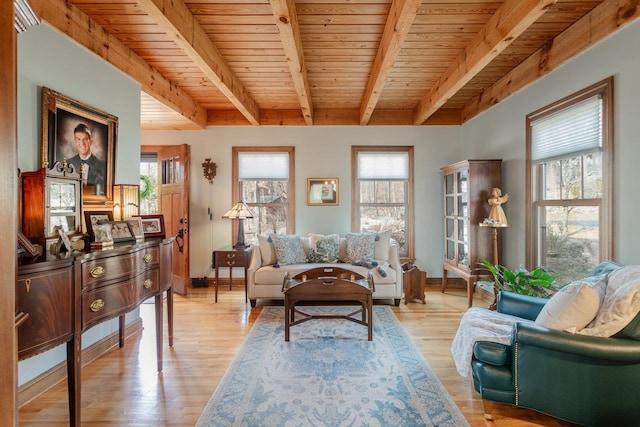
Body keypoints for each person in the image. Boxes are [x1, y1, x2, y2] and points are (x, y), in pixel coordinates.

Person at [67, 123, 106, 195]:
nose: (82, 143)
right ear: (75, 141)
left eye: (85, 139)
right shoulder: (68, 164)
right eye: (78, 139)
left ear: (90, 142)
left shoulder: (102, 165)